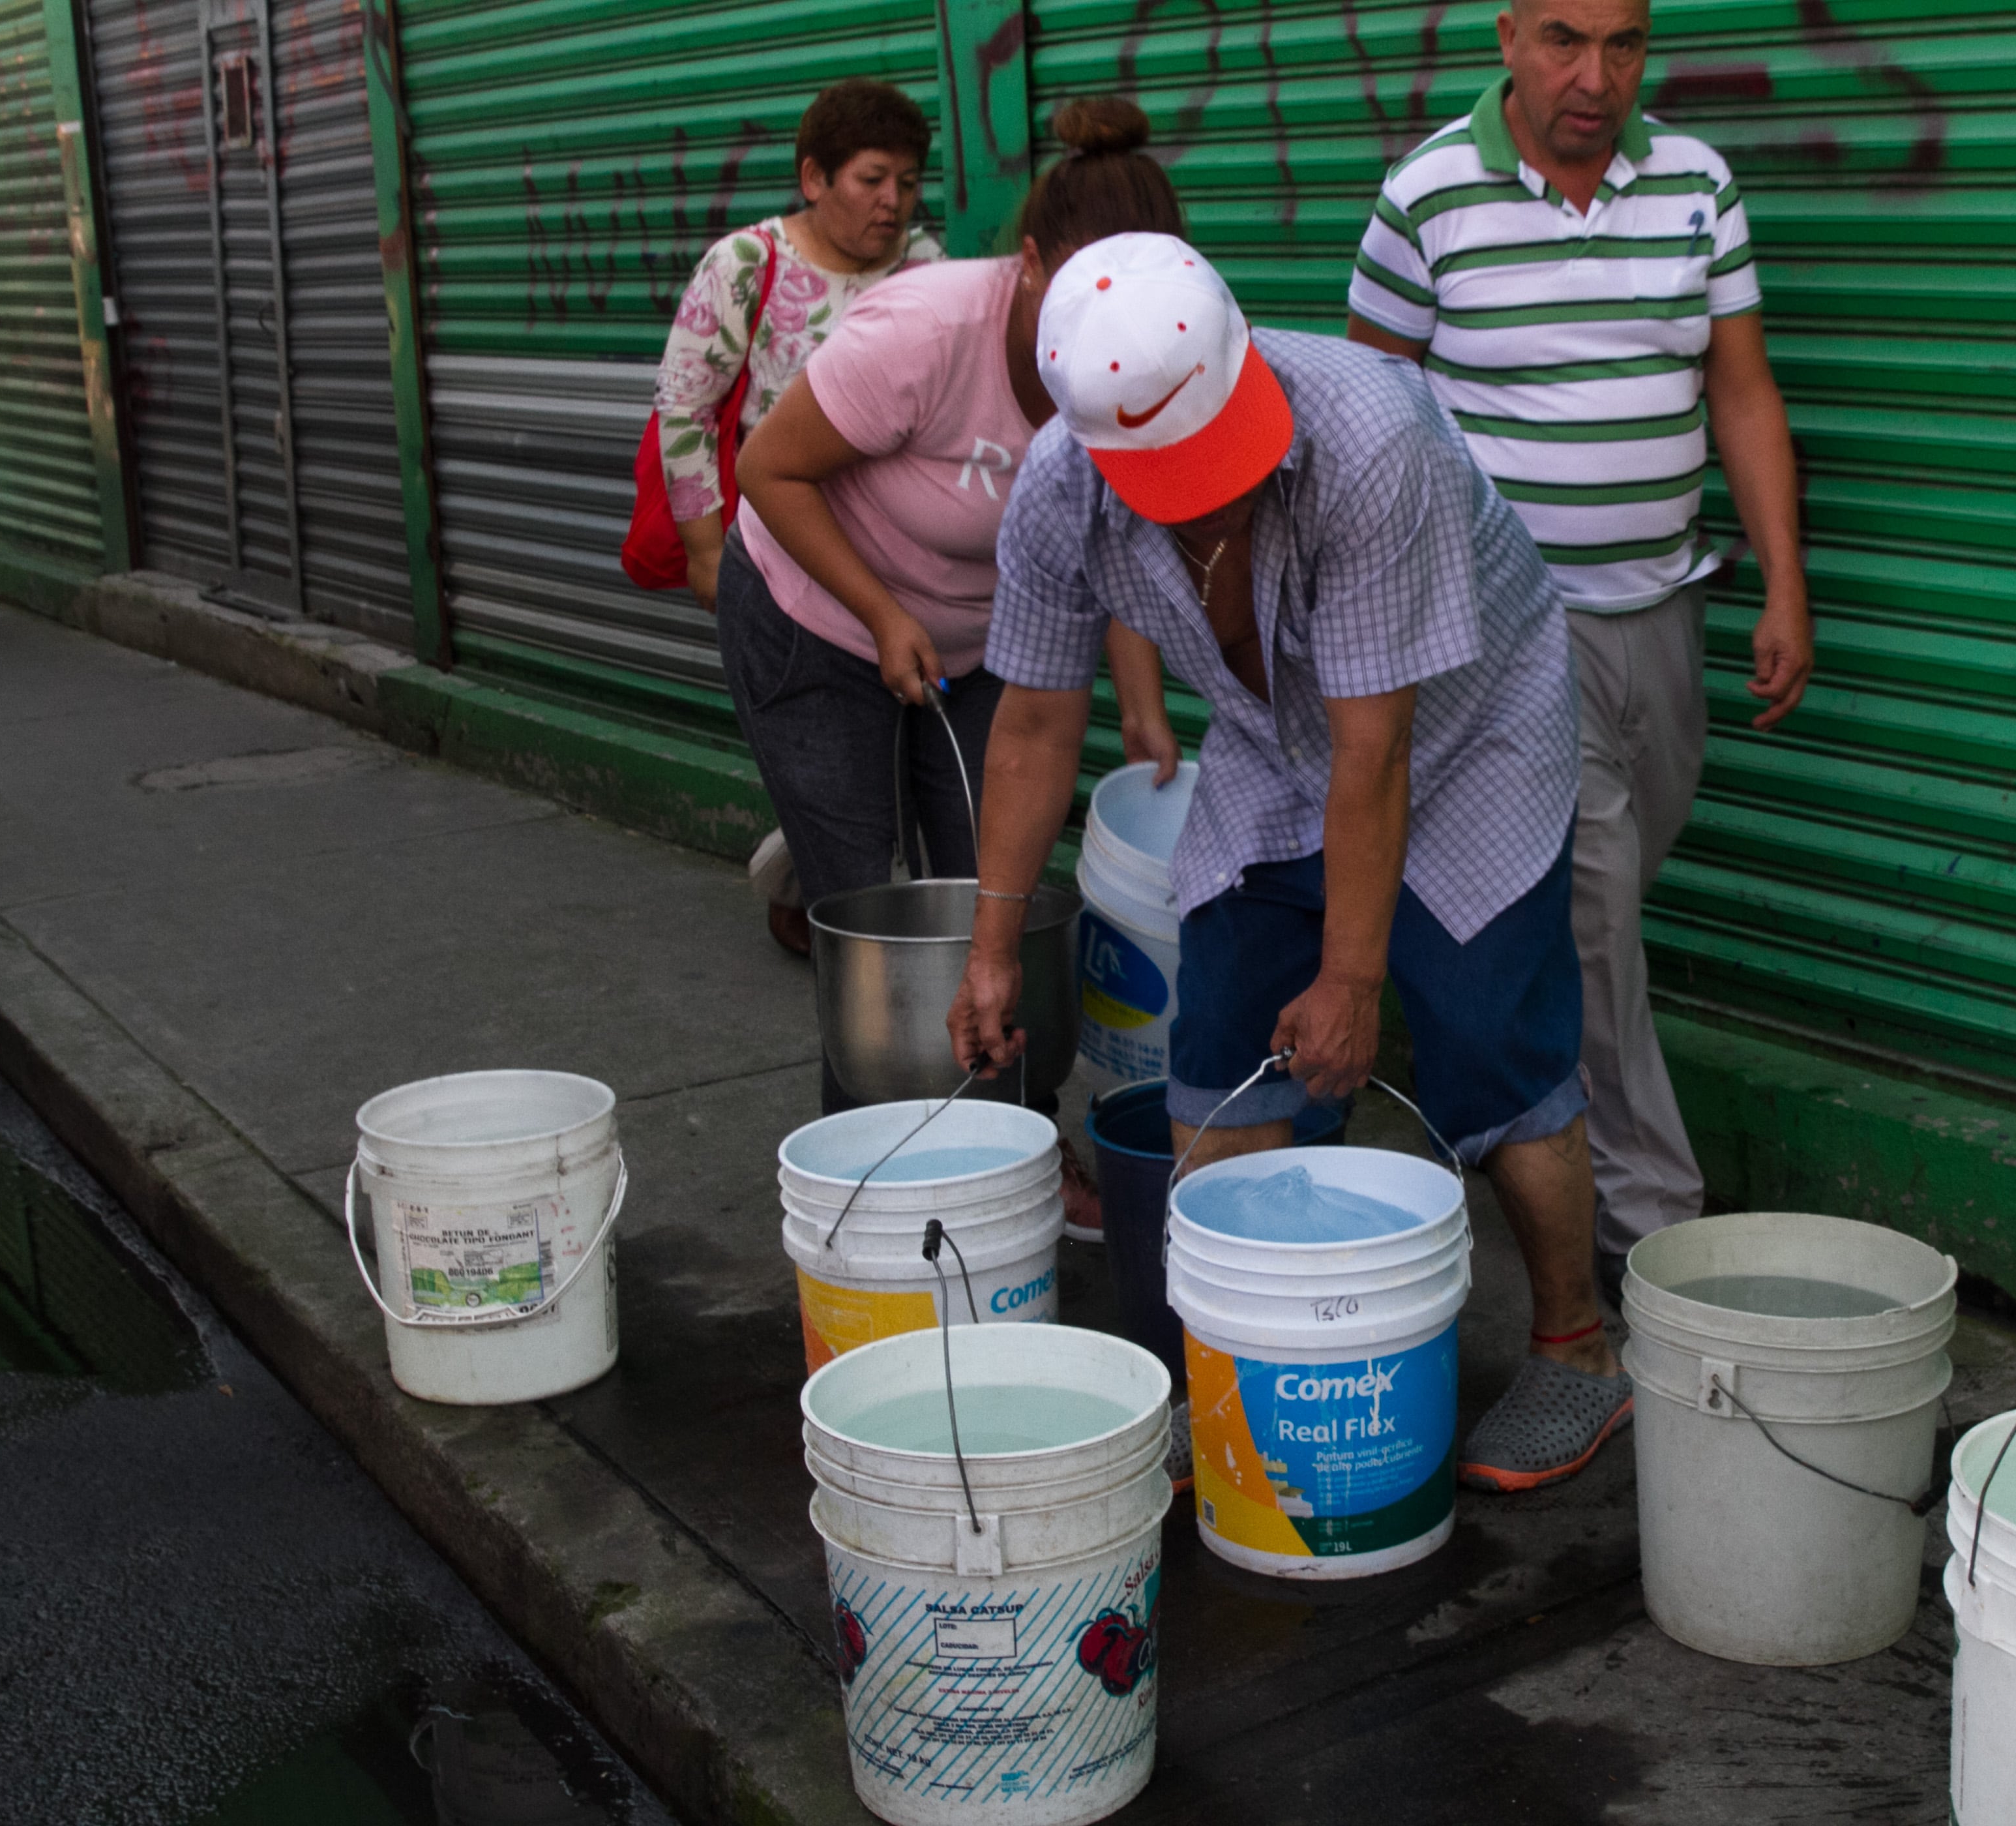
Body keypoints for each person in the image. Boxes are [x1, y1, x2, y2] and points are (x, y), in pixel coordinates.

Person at [947, 232, 1631, 1494]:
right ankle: (1245, 1363)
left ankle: (1577, 1351)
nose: (1216, 494)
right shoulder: (1058, 493)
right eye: (1176, 477)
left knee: (1490, 1038)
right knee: (1222, 1045)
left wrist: (1355, 978)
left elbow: (1379, 752)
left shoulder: (1375, 440)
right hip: (1273, 742)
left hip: (1469, 733)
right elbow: (1036, 723)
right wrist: (991, 947)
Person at [1346, 0, 1813, 1302]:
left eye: (1623, 44)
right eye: (1563, 39)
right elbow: (1370, 412)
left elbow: (1740, 386)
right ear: (1506, 36)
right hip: (1507, 639)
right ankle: (1651, 1234)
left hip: (1661, 614)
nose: (1593, 76)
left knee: (1609, 895)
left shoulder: (1697, 185)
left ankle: (1503, 1105)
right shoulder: (1429, 195)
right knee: (1598, 918)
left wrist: (1785, 579)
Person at [728, 98, 1185, 1250]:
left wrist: (1140, 707)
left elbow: (1117, 524)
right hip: (817, 616)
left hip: (990, 647)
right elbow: (768, 468)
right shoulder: (927, 329)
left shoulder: (1156, 341)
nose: (1103, 337)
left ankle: (1019, 1168)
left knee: (1002, 909)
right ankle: (875, 1197)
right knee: (872, 922)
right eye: (1078, 300)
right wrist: (879, 612)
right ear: (1027, 264)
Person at [654, 79, 943, 957]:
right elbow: (684, 408)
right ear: (814, 178)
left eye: (907, 179)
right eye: (870, 179)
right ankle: (824, 898)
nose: (892, 202)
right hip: (782, 566)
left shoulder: (924, 266)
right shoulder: (749, 265)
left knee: (897, 759)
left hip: (906, 569)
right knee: (824, 757)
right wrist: (708, 547)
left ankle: (831, 889)